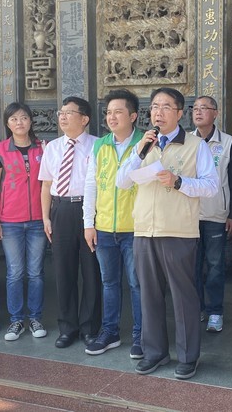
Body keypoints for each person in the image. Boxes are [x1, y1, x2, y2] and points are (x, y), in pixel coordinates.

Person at [116, 87, 218, 380]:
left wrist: (178, 182)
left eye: (165, 107)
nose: (158, 112)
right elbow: (123, 182)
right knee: (148, 294)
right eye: (155, 107)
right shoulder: (143, 145)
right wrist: (138, 151)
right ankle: (155, 352)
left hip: (179, 231)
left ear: (179, 113)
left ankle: (188, 357)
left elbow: (210, 186)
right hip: (144, 231)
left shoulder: (196, 146)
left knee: (184, 297)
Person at [83, 89, 144, 358]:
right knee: (109, 283)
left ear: (133, 115)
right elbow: (91, 186)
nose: (111, 117)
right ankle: (110, 332)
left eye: (118, 111)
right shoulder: (100, 145)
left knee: (137, 284)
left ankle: (142, 335)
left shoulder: (147, 142)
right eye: (108, 112)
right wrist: (89, 223)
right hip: (105, 227)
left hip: (137, 228)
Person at [39, 96, 101, 349]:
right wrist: (45, 217)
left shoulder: (98, 146)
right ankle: (67, 327)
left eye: (69, 112)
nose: (62, 117)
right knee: (63, 272)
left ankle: (90, 327)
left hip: (90, 211)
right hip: (61, 210)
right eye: (60, 112)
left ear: (84, 119)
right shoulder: (52, 147)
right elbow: (46, 184)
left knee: (91, 272)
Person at [0, 103, 48, 341]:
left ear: (31, 121)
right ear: (7, 123)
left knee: (35, 273)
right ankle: (16, 321)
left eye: (24, 118)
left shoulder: (42, 147)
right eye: (14, 119)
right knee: (14, 272)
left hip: (37, 222)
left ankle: (35, 318)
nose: (19, 123)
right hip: (10, 220)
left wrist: (47, 218)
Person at [192, 95, 232, 333]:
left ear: (215, 113)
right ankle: (196, 308)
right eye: (195, 108)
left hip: (215, 214)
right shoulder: (186, 141)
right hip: (189, 214)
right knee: (191, 265)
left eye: (204, 108)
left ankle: (215, 311)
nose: (199, 112)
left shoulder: (228, 143)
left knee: (214, 266)